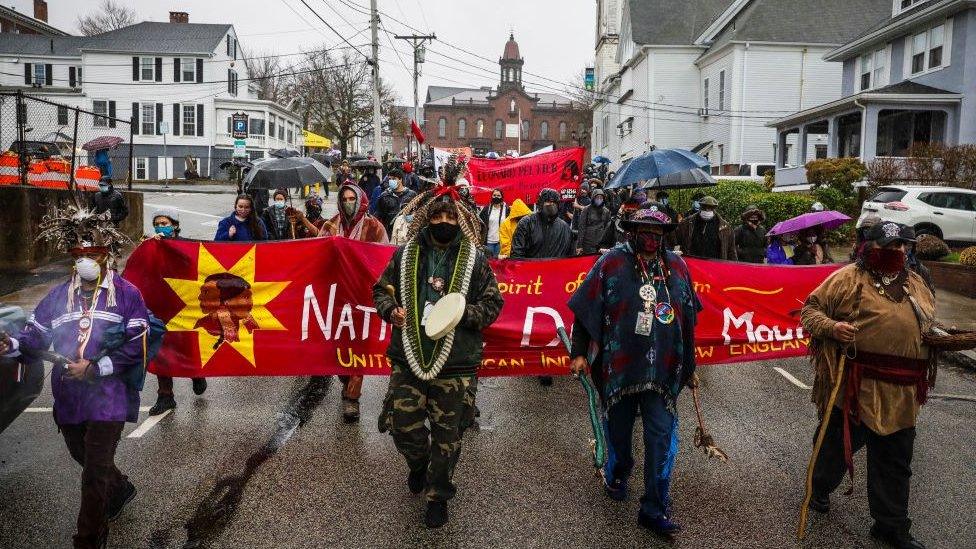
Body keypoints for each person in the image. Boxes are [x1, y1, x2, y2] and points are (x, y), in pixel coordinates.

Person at [0, 207, 149, 549]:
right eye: (80, 254)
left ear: (106, 255)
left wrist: (95, 368)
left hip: (109, 395)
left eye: (93, 254)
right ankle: (121, 487)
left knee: (94, 471)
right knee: (82, 455)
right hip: (68, 394)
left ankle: (89, 538)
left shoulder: (127, 295)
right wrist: (12, 343)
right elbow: (35, 337)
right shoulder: (57, 296)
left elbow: (137, 345)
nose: (86, 261)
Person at [373, 176, 504, 529]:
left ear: (458, 220)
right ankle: (418, 465)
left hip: (456, 363)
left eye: (449, 218)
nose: (443, 223)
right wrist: (391, 311)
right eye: (437, 218)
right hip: (408, 359)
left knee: (448, 440)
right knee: (403, 429)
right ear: (427, 219)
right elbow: (381, 291)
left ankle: (437, 495)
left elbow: (494, 304)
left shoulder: (475, 261)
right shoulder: (405, 255)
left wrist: (464, 314)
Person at [568, 202, 701, 539]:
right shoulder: (611, 262)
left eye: (658, 233)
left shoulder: (678, 267)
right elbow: (586, 310)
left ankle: (654, 508)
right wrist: (580, 352)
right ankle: (618, 471)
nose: (652, 238)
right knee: (621, 438)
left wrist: (690, 366)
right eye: (645, 231)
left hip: (663, 372)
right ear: (632, 231)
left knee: (659, 439)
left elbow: (689, 318)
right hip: (621, 369)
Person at [801, 221, 934, 549]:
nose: (898, 251)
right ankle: (818, 489)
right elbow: (809, 311)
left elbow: (927, 324)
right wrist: (832, 327)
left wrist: (939, 337)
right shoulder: (845, 279)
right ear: (869, 248)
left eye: (902, 246)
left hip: (902, 393)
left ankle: (891, 525)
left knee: (895, 462)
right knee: (832, 447)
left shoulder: (917, 283)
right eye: (890, 246)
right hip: (855, 389)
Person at [319, 184, 389, 421]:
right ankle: (345, 379)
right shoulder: (330, 225)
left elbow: (383, 259)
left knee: (358, 347)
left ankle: (352, 399)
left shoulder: (374, 227)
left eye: (353, 198)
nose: (349, 202)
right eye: (345, 198)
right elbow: (317, 254)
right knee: (338, 348)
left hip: (362, 296)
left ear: (361, 201)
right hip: (336, 296)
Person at [146, 209, 207, 415]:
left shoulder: (185, 244)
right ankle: (165, 396)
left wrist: (169, 247)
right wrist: (150, 246)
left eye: (164, 222)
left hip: (184, 304)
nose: (160, 226)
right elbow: (142, 268)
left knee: (186, 344)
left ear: (174, 225)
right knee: (160, 349)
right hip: (160, 304)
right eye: (157, 223)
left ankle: (196, 374)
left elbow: (192, 264)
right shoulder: (151, 243)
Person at [512, 187, 572, 386]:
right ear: (539, 203)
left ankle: (547, 363)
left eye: (554, 202)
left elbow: (569, 256)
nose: (550, 205)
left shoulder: (564, 227)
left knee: (551, 323)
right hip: (532, 284)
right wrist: (523, 275)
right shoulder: (526, 223)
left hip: (554, 283)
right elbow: (517, 253)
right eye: (547, 202)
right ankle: (533, 359)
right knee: (532, 323)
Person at [674, 196, 737, 260]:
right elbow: (676, 242)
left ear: (714, 208)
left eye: (710, 208)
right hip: (693, 263)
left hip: (715, 265)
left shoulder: (725, 227)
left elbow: (731, 251)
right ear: (700, 206)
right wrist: (676, 256)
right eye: (704, 207)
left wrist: (734, 267)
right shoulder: (687, 223)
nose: (707, 210)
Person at [376, 169, 418, 236]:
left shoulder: (412, 194)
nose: (391, 181)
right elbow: (378, 214)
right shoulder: (384, 196)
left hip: (407, 231)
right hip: (389, 232)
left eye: (394, 179)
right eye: (390, 179)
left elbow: (417, 211)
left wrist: (413, 216)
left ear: (400, 179)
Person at [574, 188, 613, 255]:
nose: (599, 199)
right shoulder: (586, 210)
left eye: (601, 198)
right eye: (597, 197)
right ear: (593, 198)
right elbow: (581, 228)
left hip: (601, 244)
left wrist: (607, 245)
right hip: (588, 243)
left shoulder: (606, 211)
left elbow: (608, 229)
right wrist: (579, 245)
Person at [479, 189, 509, 258]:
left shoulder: (506, 209)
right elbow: (480, 223)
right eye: (494, 195)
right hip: (488, 242)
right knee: (489, 262)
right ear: (491, 196)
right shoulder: (486, 209)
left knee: (498, 263)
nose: (496, 197)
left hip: (501, 242)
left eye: (498, 195)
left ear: (502, 197)